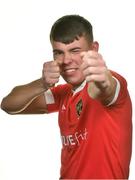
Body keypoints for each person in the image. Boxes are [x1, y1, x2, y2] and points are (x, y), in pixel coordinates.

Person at [1, 14, 132, 179]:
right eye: (59, 53)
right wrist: (42, 83)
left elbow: (106, 89)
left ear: (94, 49)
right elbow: (8, 105)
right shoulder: (63, 94)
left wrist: (102, 80)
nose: (66, 60)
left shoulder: (112, 81)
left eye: (75, 51)